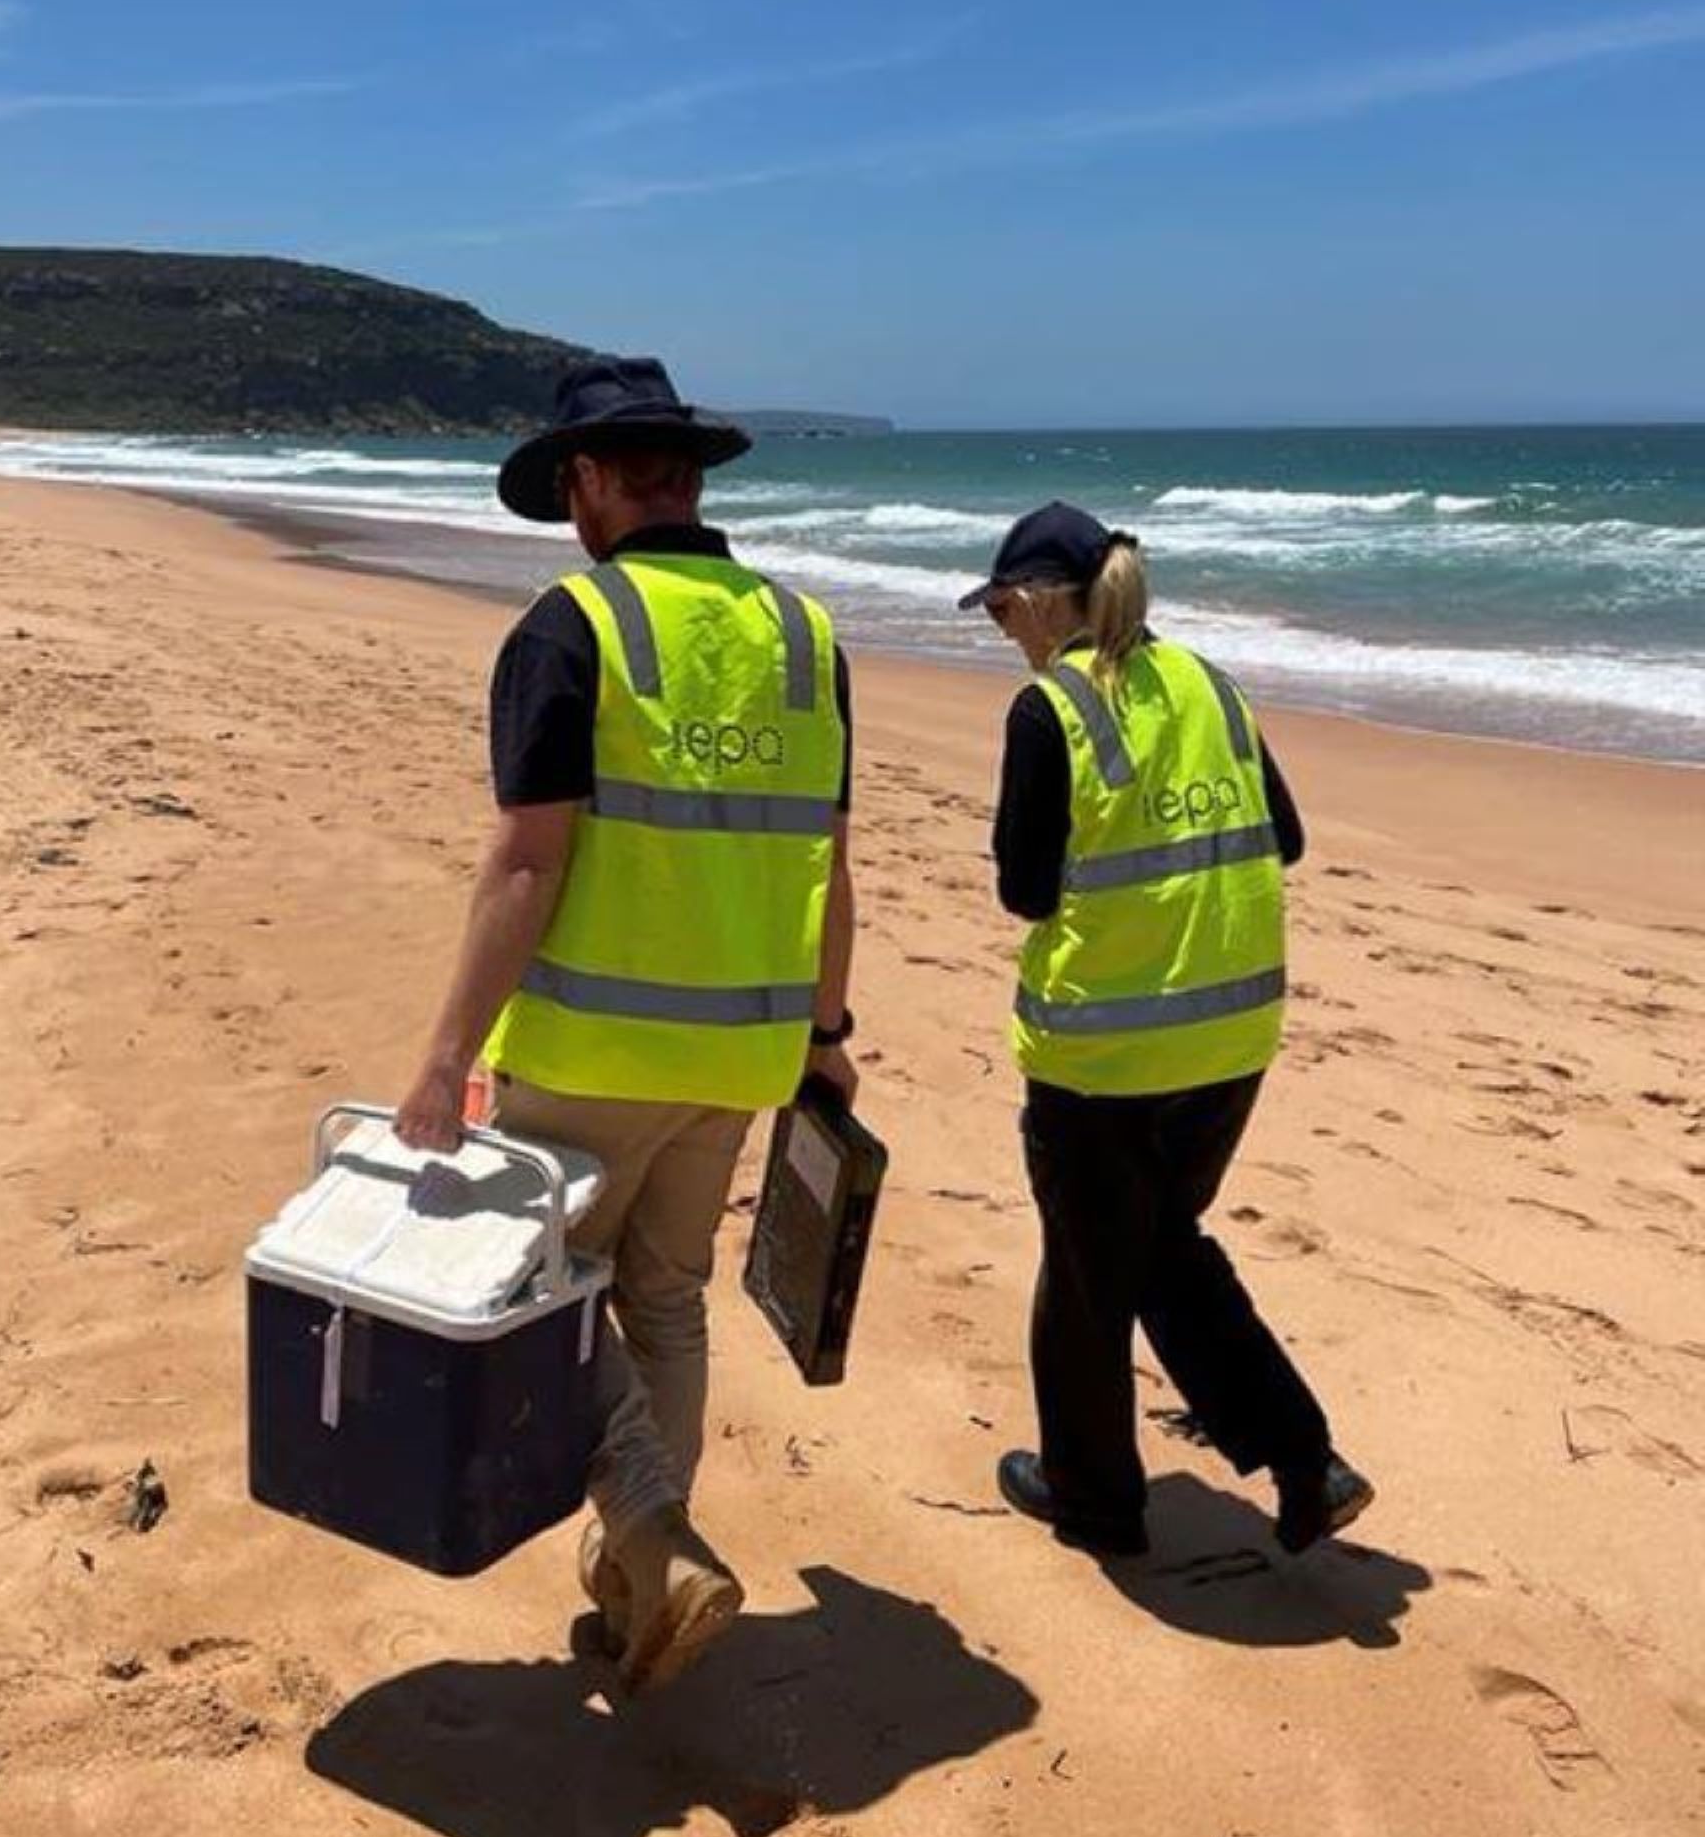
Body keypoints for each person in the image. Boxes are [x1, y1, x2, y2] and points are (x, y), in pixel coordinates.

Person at [394, 356, 858, 1691]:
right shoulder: (806, 637)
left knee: (545, 1303)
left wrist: (441, 1059)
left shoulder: (571, 628)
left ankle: (655, 1545)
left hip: (591, 1052)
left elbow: (527, 864)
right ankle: (629, 1584)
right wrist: (826, 1034)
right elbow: (833, 864)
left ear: (590, 481)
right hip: (740, 1056)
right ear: (690, 476)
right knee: (665, 1304)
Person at [961, 501, 1373, 1560]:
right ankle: (1303, 1458)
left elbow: (1023, 889)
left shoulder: (1048, 709)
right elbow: (1283, 834)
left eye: (1003, 608)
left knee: (1093, 1274)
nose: (1003, 628)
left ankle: (1093, 1495)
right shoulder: (1211, 686)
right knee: (1154, 1251)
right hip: (1231, 1036)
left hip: (1104, 1047)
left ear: (1046, 604)